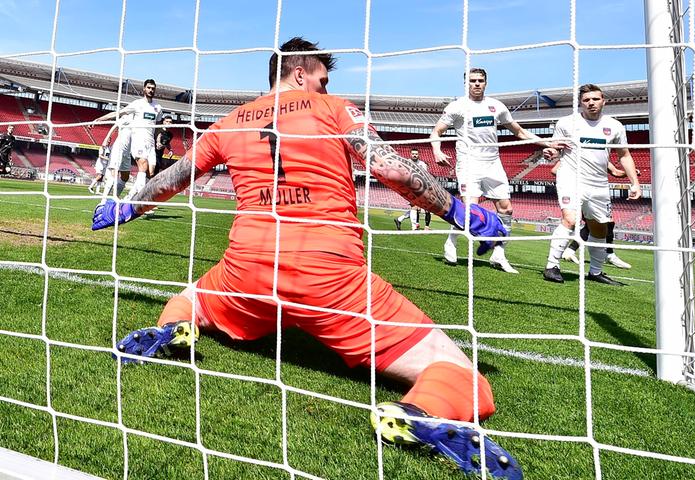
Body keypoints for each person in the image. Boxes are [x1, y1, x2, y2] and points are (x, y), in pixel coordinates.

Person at [91, 37, 521, 480]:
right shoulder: (334, 109)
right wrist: (457, 211)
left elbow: (173, 177)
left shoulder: (231, 121)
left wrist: (127, 208)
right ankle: (420, 411)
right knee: (462, 376)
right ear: (301, 74)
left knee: (194, 297)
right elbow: (392, 168)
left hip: (247, 271)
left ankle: (172, 328)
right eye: (322, 78)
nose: (325, 85)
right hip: (328, 275)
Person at [431, 68, 557, 274]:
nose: (477, 84)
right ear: (466, 83)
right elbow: (437, 131)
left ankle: (499, 255)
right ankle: (451, 242)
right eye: (472, 81)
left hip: (493, 163)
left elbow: (519, 131)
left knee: (506, 209)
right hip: (469, 162)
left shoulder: (496, 106)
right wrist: (436, 150)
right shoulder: (457, 107)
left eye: (480, 80)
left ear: (486, 83)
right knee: (470, 210)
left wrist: (546, 144)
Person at [542, 83, 641, 286]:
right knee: (570, 219)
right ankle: (552, 266)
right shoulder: (566, 123)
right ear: (580, 103)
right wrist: (550, 152)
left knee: (599, 230)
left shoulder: (615, 126)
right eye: (586, 100)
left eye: (595, 99)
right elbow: (555, 150)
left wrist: (635, 183)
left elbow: (624, 155)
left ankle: (595, 272)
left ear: (603, 100)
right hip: (571, 178)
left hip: (598, 184)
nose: (591, 103)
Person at [559, 165, 642, 269]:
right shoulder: (576, 155)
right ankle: (607, 254)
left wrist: (630, 173)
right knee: (594, 223)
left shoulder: (600, 154)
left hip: (597, 193)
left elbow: (615, 172)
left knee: (608, 222)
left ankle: (572, 251)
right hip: (582, 193)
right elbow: (555, 170)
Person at [94, 78, 162, 200]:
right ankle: (137, 201)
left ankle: (128, 198)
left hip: (150, 144)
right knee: (142, 166)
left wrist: (158, 140)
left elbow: (157, 127)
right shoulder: (137, 104)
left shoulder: (158, 107)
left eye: (153, 88)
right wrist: (100, 119)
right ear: (144, 89)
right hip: (137, 142)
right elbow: (118, 113)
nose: (151, 90)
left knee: (150, 173)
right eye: (149, 88)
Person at [393, 147, 432, 231]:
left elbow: (425, 175)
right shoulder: (406, 162)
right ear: (410, 154)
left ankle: (400, 219)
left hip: (420, 187)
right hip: (409, 187)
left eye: (416, 154)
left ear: (418, 155)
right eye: (413, 154)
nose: (415, 155)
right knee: (414, 206)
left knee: (416, 207)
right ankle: (414, 227)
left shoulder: (422, 164)